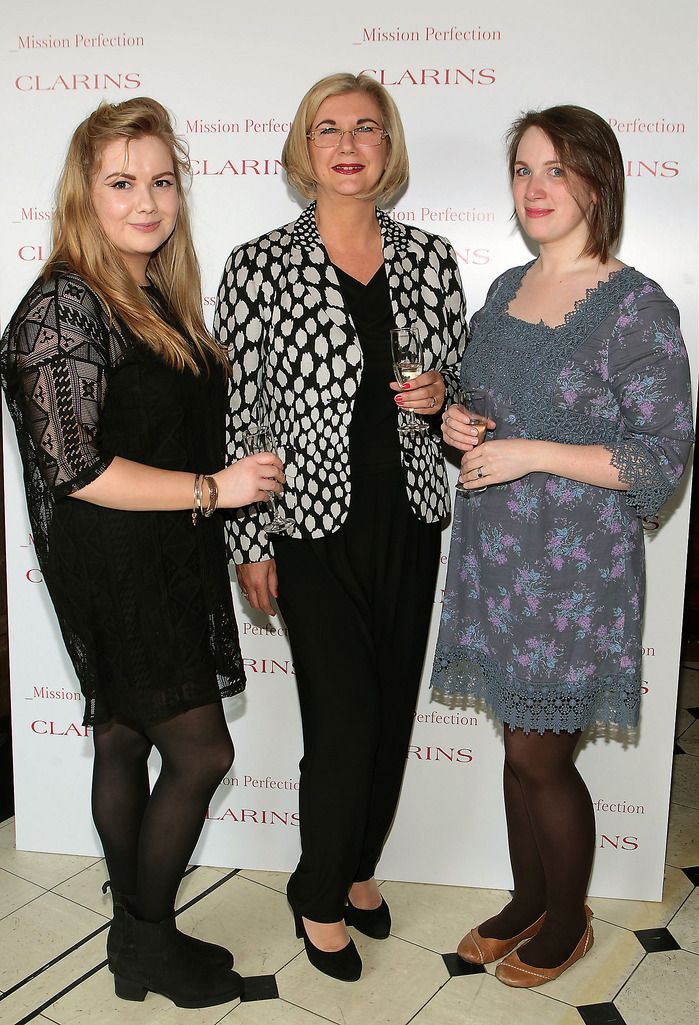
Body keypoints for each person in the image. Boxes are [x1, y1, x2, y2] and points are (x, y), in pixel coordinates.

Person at [1, 97, 284, 1008]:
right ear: (86, 191)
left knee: (124, 738)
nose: (147, 200)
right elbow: (74, 466)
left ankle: (136, 930)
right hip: (118, 562)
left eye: (162, 180)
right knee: (199, 754)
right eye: (123, 181)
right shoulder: (62, 304)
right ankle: (147, 942)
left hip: (162, 553)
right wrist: (216, 488)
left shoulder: (146, 291)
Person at [432, 105, 694, 987]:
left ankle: (569, 918)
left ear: (598, 182)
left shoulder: (636, 307)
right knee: (517, 744)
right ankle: (529, 897)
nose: (535, 188)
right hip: (499, 561)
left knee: (540, 754)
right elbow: (480, 410)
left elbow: (660, 455)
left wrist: (531, 452)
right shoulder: (505, 288)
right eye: (523, 170)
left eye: (556, 170)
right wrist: (459, 423)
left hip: (576, 572)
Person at [215, 72, 467, 981]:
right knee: (344, 717)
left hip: (407, 520)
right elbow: (239, 416)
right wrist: (247, 542)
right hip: (307, 529)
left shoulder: (430, 259)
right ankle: (317, 891)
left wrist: (444, 400)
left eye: (366, 126)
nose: (347, 142)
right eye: (327, 128)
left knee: (391, 712)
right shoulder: (258, 265)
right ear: (303, 148)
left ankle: (359, 865)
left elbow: (460, 405)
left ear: (387, 146)